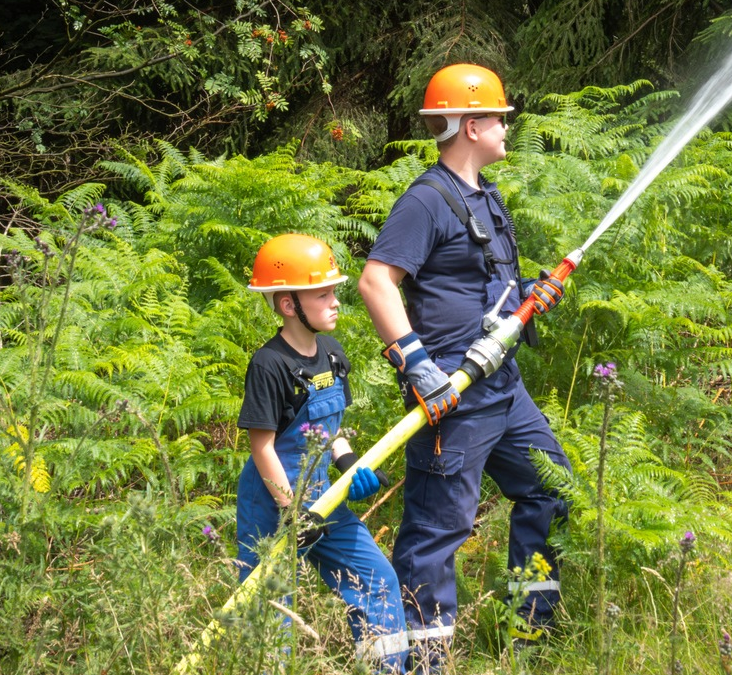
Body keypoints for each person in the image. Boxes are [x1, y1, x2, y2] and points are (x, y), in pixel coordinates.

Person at [358, 63, 571, 671]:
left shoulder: (484, 195)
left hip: (503, 387)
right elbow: (377, 281)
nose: (508, 126)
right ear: (472, 125)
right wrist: (415, 363)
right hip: (452, 395)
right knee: (436, 533)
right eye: (500, 117)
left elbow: (485, 288)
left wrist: (530, 295)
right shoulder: (426, 200)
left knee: (551, 491)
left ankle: (530, 636)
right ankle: (415, 664)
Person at [236, 233, 408, 673]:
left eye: (334, 291)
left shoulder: (332, 355)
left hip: (321, 496)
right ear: (289, 305)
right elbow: (262, 447)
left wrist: (348, 463)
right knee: (270, 610)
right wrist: (292, 513)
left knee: (376, 580)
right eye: (323, 293)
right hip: (271, 503)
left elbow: (326, 429)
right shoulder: (269, 364)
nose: (335, 301)